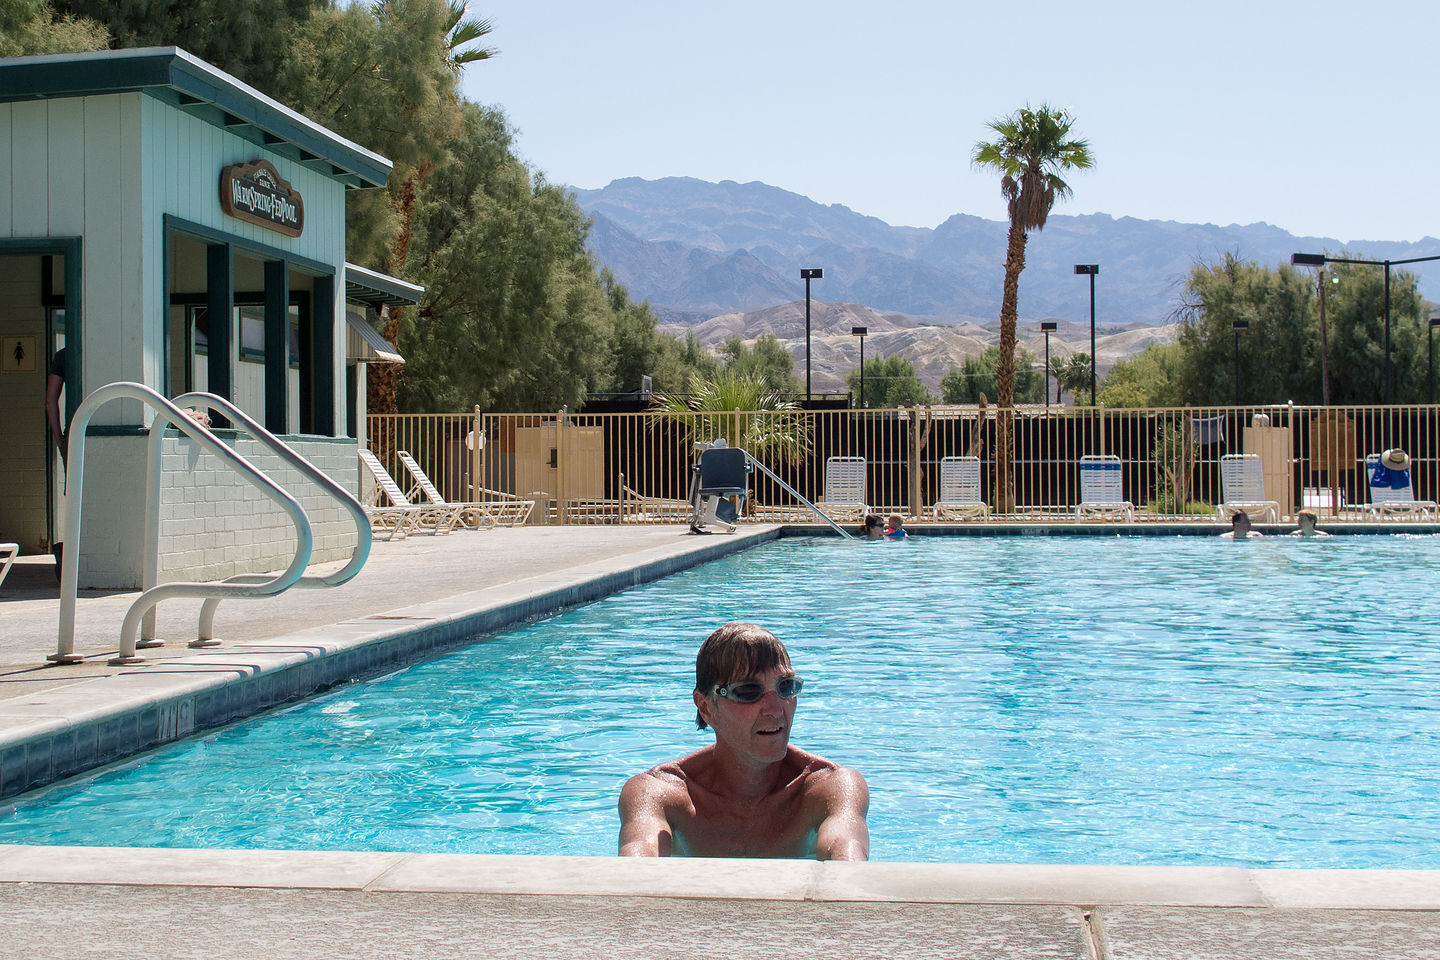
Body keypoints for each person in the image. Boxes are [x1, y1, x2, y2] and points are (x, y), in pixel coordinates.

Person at [618, 622, 870, 860]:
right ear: (706, 707)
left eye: (785, 687)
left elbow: (847, 859)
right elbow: (635, 870)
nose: (775, 709)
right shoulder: (661, 794)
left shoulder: (827, 789)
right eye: (749, 691)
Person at [44, 347, 67, 580]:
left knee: (75, 501)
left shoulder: (63, 355)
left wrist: (59, 436)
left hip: (74, 432)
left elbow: (50, 401)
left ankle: (67, 555)